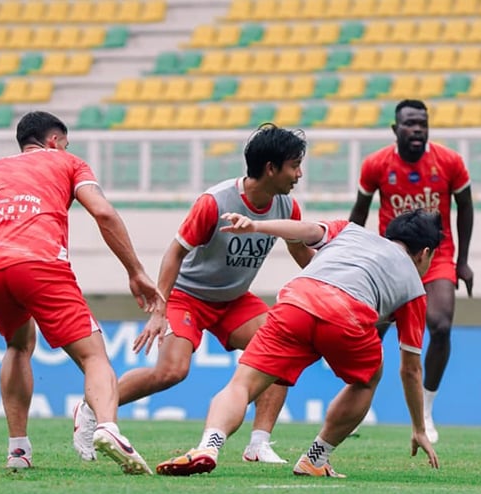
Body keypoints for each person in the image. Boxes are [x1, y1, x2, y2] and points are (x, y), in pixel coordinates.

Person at [0, 110, 163, 474]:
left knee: (17, 345)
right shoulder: (68, 162)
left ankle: (18, 449)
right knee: (93, 356)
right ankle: (107, 426)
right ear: (54, 141)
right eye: (64, 143)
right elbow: (103, 213)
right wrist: (135, 271)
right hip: (39, 264)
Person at [70, 124, 314, 465]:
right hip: (188, 296)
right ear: (271, 168)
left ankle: (258, 444)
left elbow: (302, 254)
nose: (299, 174)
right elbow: (174, 253)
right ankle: (90, 407)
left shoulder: (287, 207)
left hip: (234, 299)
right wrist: (159, 310)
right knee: (171, 371)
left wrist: (338, 283)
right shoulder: (215, 202)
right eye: (294, 166)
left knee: (280, 349)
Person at [156, 209, 442, 477]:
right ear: (425, 253)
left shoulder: (349, 230)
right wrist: (419, 427)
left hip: (296, 302)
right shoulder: (414, 289)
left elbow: (303, 230)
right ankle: (315, 459)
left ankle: (208, 446)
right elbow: (410, 369)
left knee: (241, 384)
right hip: (346, 316)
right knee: (368, 379)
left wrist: (256, 226)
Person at [348, 99, 474, 444]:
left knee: (441, 326)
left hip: (436, 257)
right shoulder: (376, 164)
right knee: (369, 333)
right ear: (395, 129)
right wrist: (350, 254)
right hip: (390, 258)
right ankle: (354, 407)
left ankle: (427, 410)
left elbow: (465, 207)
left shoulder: (450, 161)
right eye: (410, 123)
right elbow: (359, 213)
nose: (417, 129)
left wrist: (462, 261)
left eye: (423, 123)